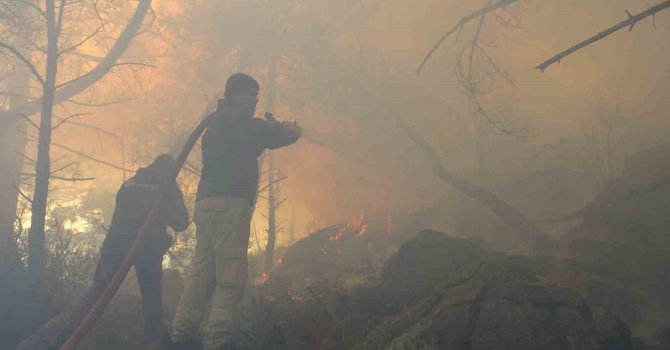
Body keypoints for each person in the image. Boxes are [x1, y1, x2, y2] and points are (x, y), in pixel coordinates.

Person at [170, 73, 301, 350]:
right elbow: (276, 137)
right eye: (251, 94)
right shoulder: (242, 123)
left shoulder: (218, 123)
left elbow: (255, 139)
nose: (255, 100)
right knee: (231, 279)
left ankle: (181, 337)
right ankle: (217, 341)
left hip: (207, 207)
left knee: (201, 276)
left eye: (257, 95)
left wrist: (269, 129)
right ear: (236, 95)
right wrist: (290, 130)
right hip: (229, 207)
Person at [65, 154, 189, 345]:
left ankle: (64, 338)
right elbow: (181, 223)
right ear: (171, 171)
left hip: (115, 246)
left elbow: (119, 219)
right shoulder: (167, 186)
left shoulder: (130, 183)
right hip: (147, 248)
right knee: (152, 300)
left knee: (97, 294)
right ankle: (161, 344)